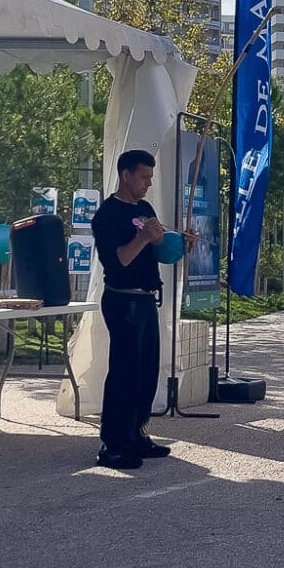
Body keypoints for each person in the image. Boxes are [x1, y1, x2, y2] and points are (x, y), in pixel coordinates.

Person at [90, 148, 194, 470]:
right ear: (126, 175)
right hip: (123, 300)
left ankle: (136, 433)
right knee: (124, 372)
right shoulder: (107, 215)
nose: (148, 183)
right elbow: (118, 259)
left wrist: (178, 241)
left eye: (150, 177)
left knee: (147, 372)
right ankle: (113, 443)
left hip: (148, 298)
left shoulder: (145, 208)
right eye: (144, 177)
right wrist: (143, 237)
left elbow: (158, 248)